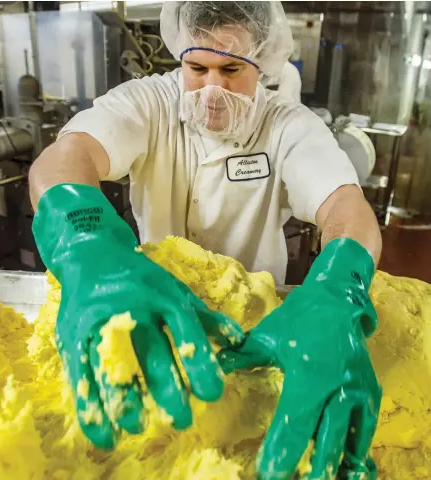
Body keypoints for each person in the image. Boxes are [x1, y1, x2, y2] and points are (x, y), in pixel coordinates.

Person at [29, 2, 382, 479]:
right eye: (197, 68)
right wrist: (84, 243)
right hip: (151, 310)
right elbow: (65, 157)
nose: (212, 87)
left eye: (231, 69)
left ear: (262, 64)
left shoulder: (289, 125)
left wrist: (341, 286)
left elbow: (345, 206)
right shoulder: (147, 102)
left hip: (260, 332)